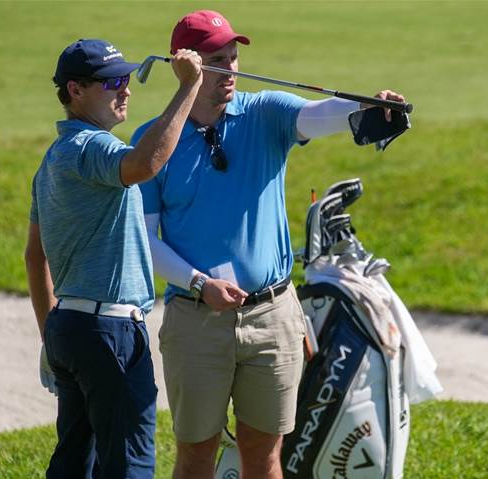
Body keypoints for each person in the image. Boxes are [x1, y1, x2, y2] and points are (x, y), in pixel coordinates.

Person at [130, 10, 405, 479]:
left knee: (266, 457)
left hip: (272, 316)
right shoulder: (153, 142)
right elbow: (144, 239)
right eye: (219, 59)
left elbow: (318, 115)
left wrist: (365, 109)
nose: (232, 69)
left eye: (235, 57)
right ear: (187, 66)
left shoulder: (264, 113)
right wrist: (199, 283)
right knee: (196, 455)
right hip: (197, 320)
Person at [24, 38, 201, 478]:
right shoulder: (90, 148)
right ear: (76, 91)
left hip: (71, 326)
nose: (124, 89)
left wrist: (52, 334)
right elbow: (145, 164)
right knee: (128, 466)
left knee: (74, 463)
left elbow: (34, 257)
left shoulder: (52, 160)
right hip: (110, 333)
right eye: (110, 82)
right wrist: (188, 88)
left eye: (124, 78)